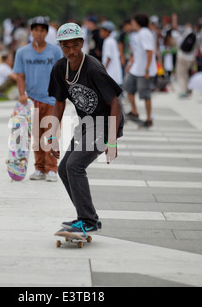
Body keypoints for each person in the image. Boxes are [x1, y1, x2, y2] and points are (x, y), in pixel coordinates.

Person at [48, 22, 123, 237]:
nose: (70, 51)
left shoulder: (92, 67)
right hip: (87, 124)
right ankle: (86, 217)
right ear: (60, 46)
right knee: (64, 169)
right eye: (65, 47)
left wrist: (111, 140)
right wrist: (53, 135)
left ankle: (87, 220)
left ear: (81, 43)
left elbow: (115, 103)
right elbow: (60, 102)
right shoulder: (59, 68)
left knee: (75, 166)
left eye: (74, 46)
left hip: (106, 121)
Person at [13, 16, 63, 182]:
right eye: (36, 30)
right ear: (31, 31)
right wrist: (21, 94)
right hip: (32, 101)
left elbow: (62, 74)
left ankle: (52, 169)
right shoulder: (22, 52)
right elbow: (20, 75)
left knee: (50, 135)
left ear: (47, 32)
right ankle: (39, 168)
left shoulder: (55, 51)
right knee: (35, 136)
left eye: (42, 30)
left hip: (51, 99)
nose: (39, 33)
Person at [123, 13, 157, 128]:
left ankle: (148, 119)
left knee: (145, 94)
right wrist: (130, 63)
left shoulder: (145, 33)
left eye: (133, 22)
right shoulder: (137, 34)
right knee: (128, 89)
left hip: (144, 70)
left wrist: (147, 69)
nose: (131, 23)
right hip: (136, 68)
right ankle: (134, 112)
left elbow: (150, 52)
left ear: (137, 22)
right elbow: (137, 51)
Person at [175, 23, 198, 97]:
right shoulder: (196, 35)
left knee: (180, 74)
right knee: (186, 74)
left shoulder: (185, 32)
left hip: (182, 56)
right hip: (190, 58)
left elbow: (175, 27)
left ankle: (183, 91)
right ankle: (187, 89)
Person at [99, 21, 123, 86]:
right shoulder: (112, 40)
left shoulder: (108, 41)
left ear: (107, 32)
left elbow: (108, 57)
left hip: (111, 72)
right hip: (114, 73)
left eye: (101, 31)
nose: (100, 33)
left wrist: (104, 70)